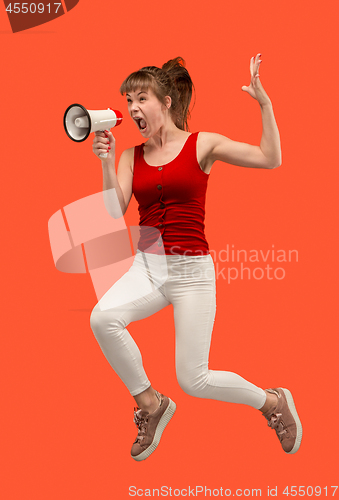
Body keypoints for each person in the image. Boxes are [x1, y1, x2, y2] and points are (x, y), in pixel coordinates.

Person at [90, 55, 302, 461]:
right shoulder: (130, 157)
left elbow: (269, 157)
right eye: (128, 99)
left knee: (194, 379)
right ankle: (152, 404)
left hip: (192, 274)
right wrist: (104, 161)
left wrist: (265, 104)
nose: (133, 107)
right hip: (147, 269)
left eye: (141, 97)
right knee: (102, 318)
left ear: (166, 102)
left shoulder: (200, 143)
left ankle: (272, 402)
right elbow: (113, 211)